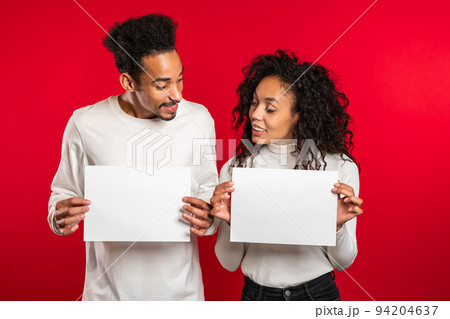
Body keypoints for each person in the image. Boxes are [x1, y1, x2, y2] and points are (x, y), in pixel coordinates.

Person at [47, 14, 219, 300]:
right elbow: (62, 193)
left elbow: (207, 188)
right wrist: (59, 216)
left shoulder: (198, 119)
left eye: (180, 79)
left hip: (182, 298)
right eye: (162, 85)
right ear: (128, 82)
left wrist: (208, 218)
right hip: (107, 298)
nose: (177, 94)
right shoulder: (85, 123)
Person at [211, 50, 364, 301]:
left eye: (270, 108)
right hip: (256, 297)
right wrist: (229, 223)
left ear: (298, 114)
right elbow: (229, 263)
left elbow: (343, 262)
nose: (255, 115)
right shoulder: (236, 168)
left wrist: (336, 226)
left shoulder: (339, 168)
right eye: (254, 102)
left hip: (317, 296)